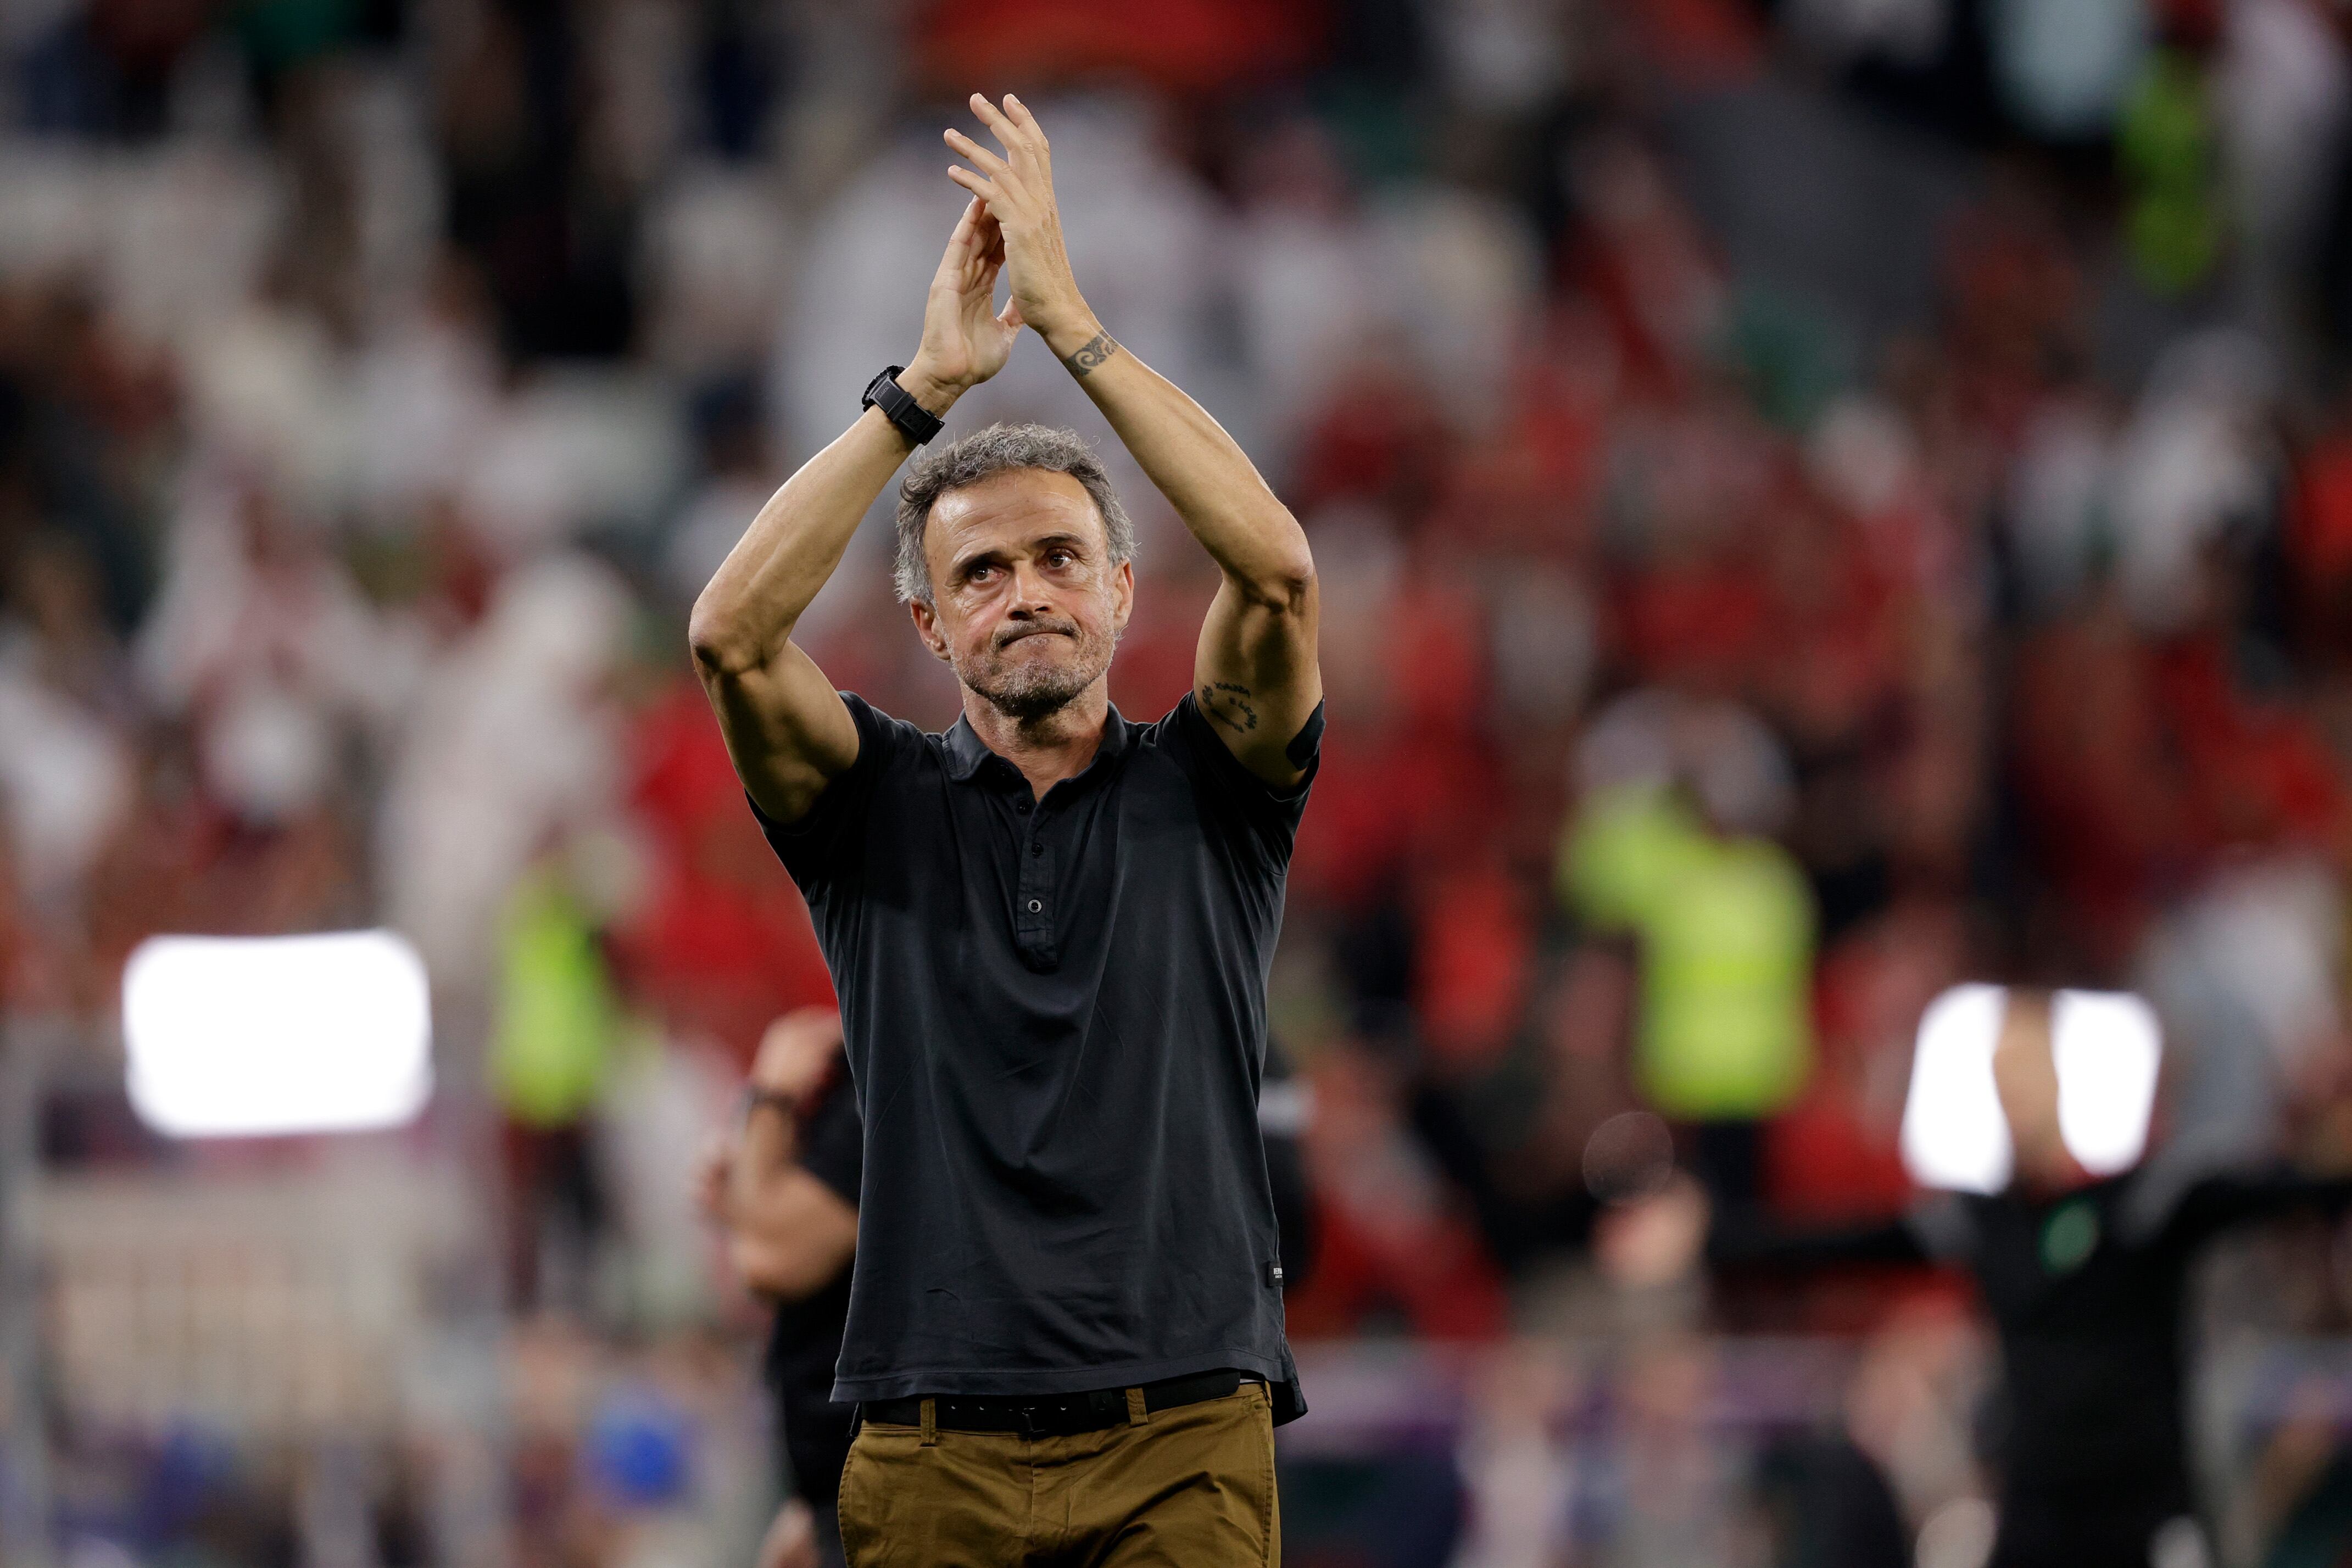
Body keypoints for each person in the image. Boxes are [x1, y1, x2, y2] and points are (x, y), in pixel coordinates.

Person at [688, 91, 1322, 1567]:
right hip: (930, 1451)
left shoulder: (1215, 785)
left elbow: (1277, 571)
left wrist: (1075, 331)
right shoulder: (870, 806)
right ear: (927, 623)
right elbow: (729, 632)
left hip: (1182, 1437)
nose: (1024, 588)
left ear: (1119, 589)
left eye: (1058, 557)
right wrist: (921, 390)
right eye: (979, 571)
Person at [1615, 989, 2352, 1568]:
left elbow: (2284, 1191)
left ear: (2061, 1074)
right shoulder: (1985, 1222)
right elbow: (1847, 1239)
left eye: (2026, 1069)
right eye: (2001, 1076)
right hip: (2038, 1513)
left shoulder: (2149, 1203)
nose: (2014, 1093)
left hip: (2147, 1514)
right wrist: (1707, 1237)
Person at [704, 1017, 1322, 1568]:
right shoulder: (1212, 1032)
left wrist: (770, 1099)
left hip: (1018, 1465)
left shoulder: (941, 1041)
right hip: (1164, 1443)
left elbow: (773, 1255)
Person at [698, 1007, 862, 1568]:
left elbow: (771, 1255)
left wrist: (770, 1096)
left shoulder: (903, 1067)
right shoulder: (862, 1064)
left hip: (887, 1488)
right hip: (846, 1491)